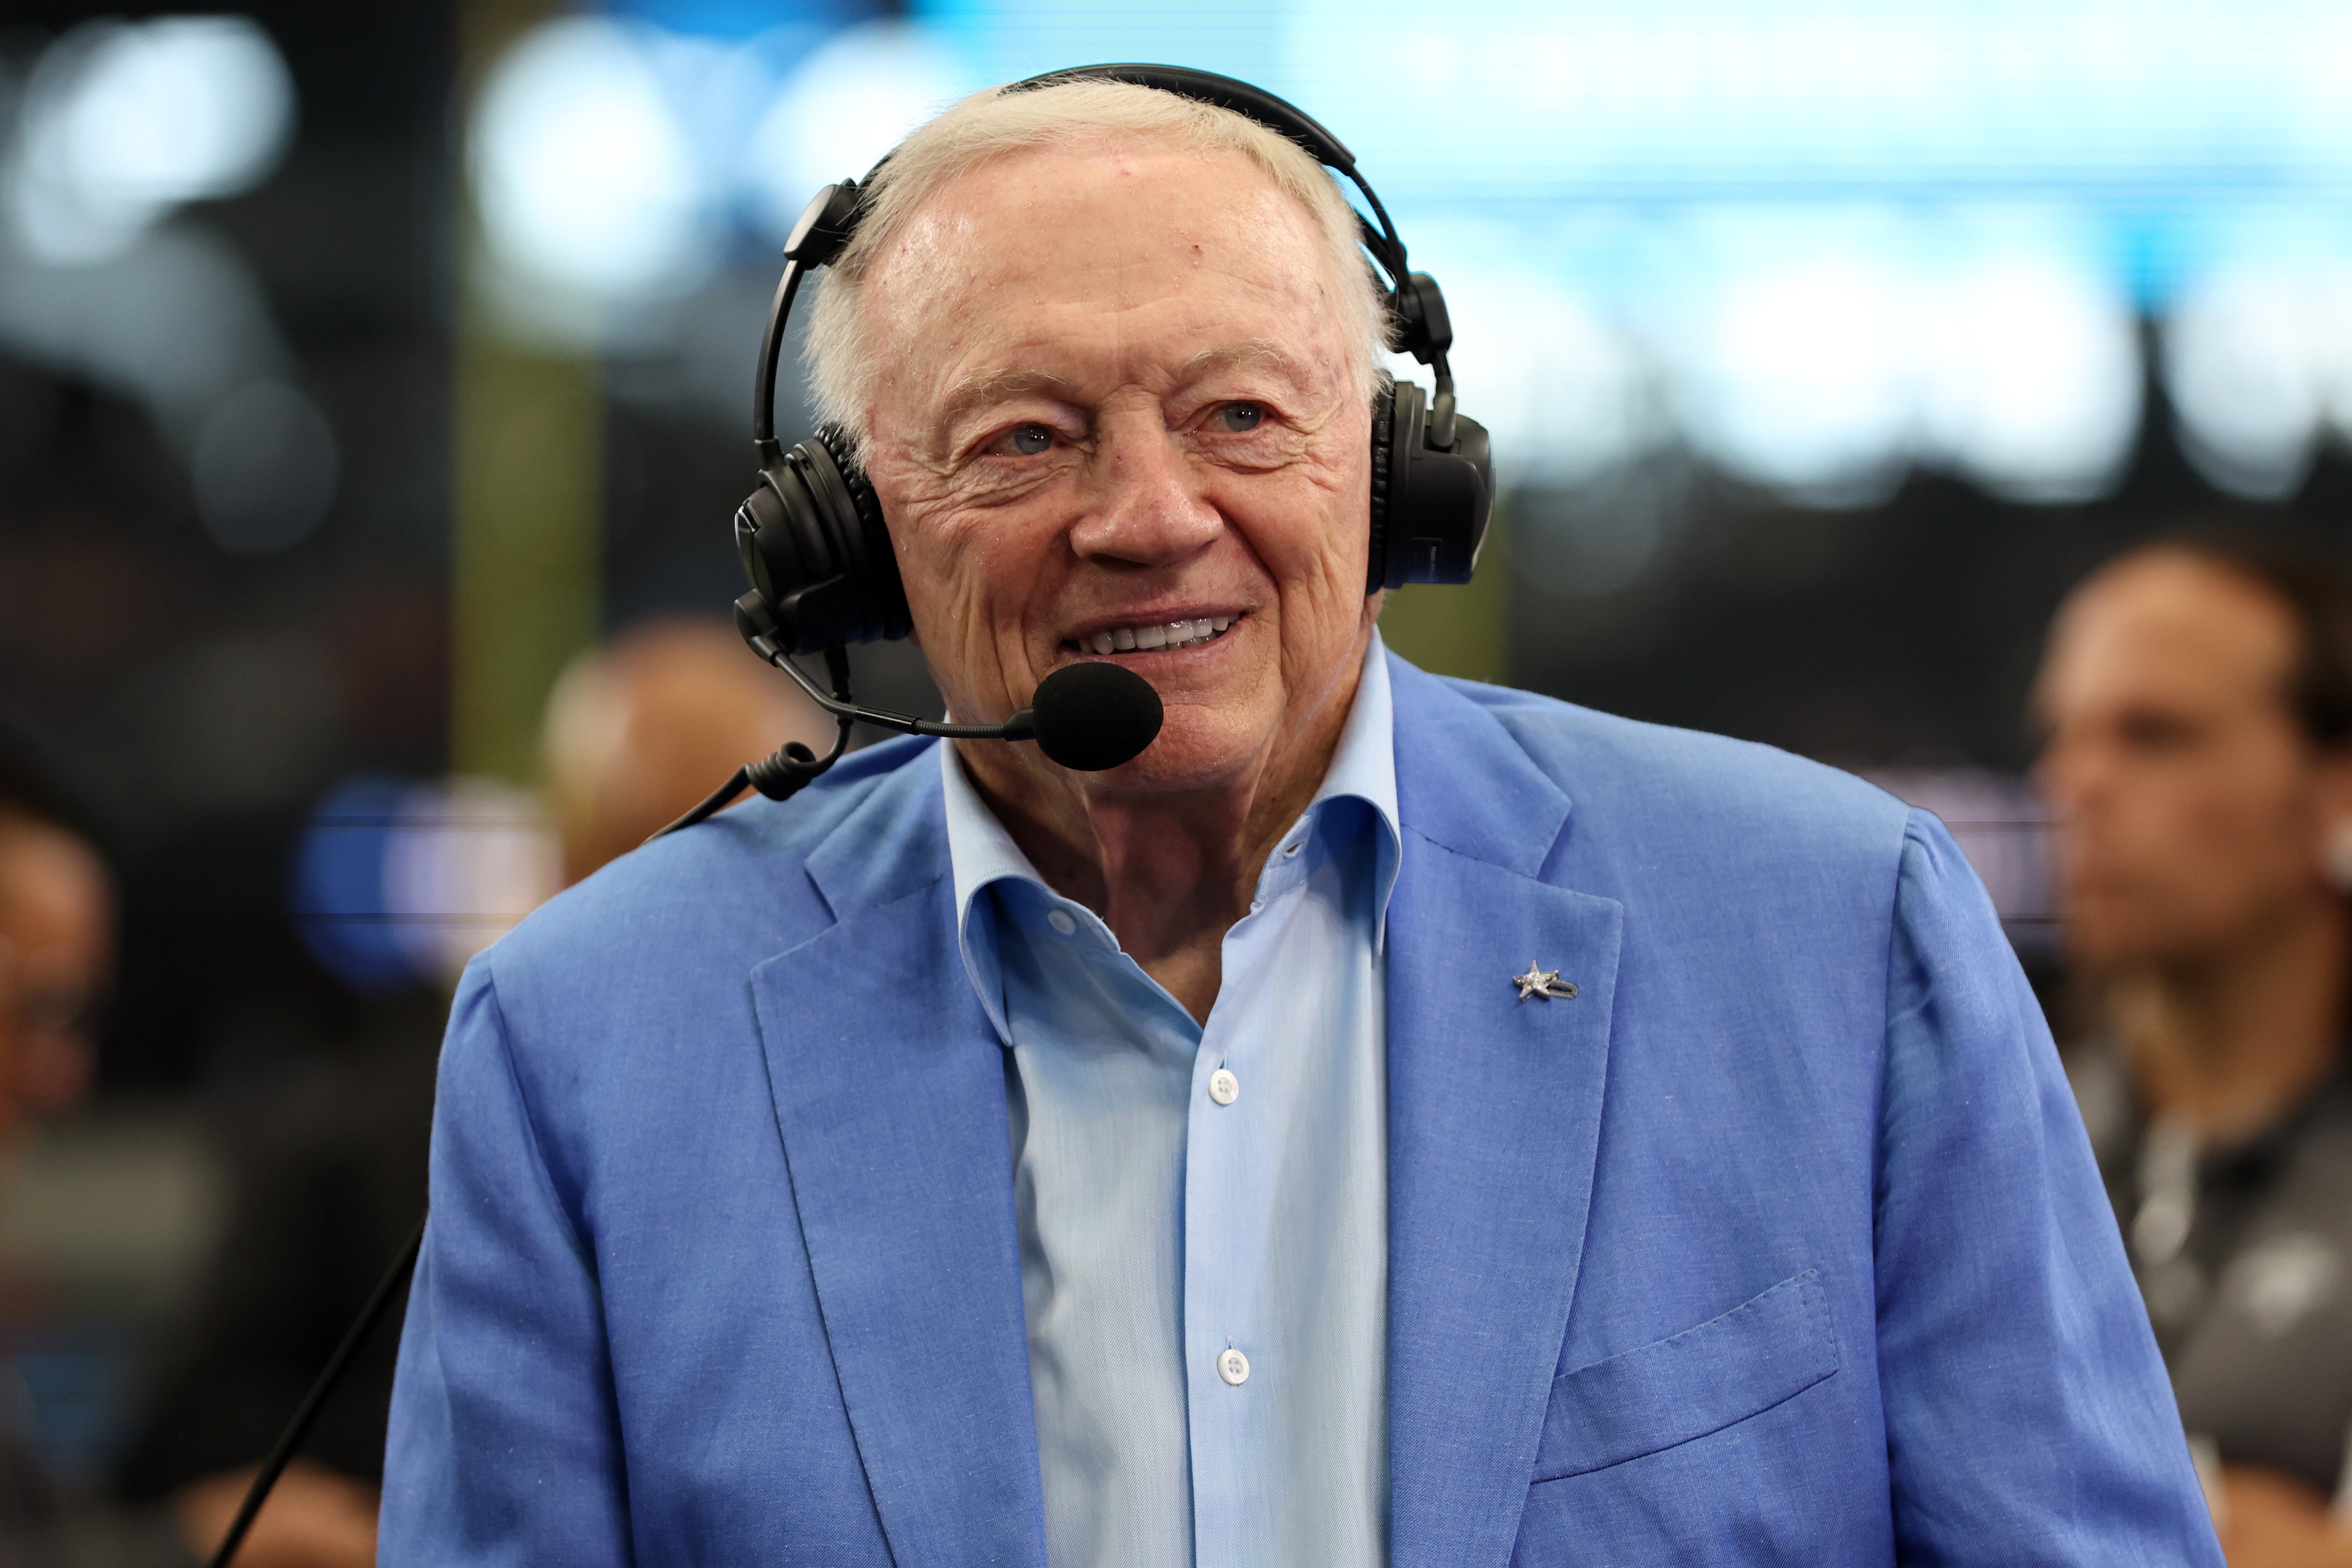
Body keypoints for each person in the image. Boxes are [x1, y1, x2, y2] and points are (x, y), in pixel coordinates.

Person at [382, 75, 2216, 1565]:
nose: (1150, 513)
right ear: (853, 537)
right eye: (1024, 438)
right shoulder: (588, 1042)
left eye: (1241, 413)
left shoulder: (1831, 930)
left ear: (1397, 468)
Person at [122, 618, 822, 1568]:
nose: (692, 906)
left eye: (754, 860)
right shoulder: (352, 1143)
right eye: (644, 850)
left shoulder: (872, 1138)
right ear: (562, 864)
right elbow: (176, 1461)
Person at [2036, 539, 2352, 1568]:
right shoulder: (1980, 1143)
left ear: (2332, 791)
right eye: (2063, 734)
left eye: (2154, 735)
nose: (2077, 782)